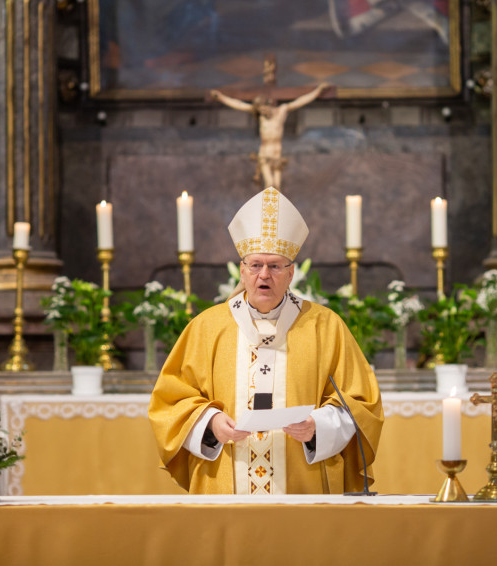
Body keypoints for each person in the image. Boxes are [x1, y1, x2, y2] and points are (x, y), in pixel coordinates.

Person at [149, 187, 383, 495]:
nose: (264, 275)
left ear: (291, 273)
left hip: (302, 485)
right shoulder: (207, 327)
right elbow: (170, 401)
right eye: (256, 265)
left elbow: (361, 404)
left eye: (274, 266)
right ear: (242, 270)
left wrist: (318, 426)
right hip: (226, 483)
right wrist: (211, 423)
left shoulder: (325, 327)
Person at [210, 83, 331, 189]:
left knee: (277, 186)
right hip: (264, 153)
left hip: (277, 153)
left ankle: (276, 208)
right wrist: (221, 97)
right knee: (269, 184)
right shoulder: (261, 116)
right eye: (260, 111)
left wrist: (317, 91)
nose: (263, 113)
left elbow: (300, 101)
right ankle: (268, 207)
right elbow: (239, 104)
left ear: (268, 104)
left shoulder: (281, 111)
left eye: (264, 109)